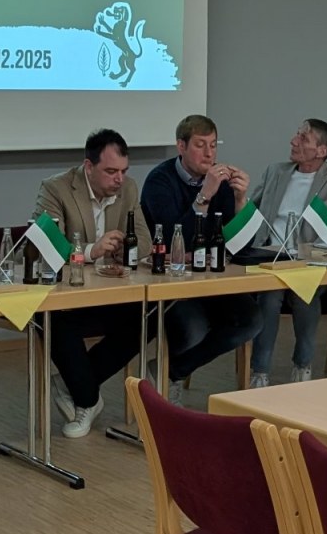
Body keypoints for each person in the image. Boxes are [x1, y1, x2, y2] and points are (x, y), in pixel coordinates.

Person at [35, 129, 156, 436]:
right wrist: (91, 250)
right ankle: (87, 400)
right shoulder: (56, 188)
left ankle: (73, 383)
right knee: (51, 318)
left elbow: (144, 241)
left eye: (124, 171)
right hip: (70, 295)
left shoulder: (129, 189)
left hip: (111, 292)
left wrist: (124, 248)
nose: (119, 179)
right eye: (111, 171)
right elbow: (46, 245)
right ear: (88, 166)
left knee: (152, 314)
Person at [141, 114, 259, 402]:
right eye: (200, 145)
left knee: (251, 320)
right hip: (172, 283)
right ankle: (170, 381)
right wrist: (203, 197)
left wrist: (241, 200)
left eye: (213, 145)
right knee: (192, 329)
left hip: (213, 278)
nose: (209, 154)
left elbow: (240, 247)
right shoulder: (160, 181)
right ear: (181, 146)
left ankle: (171, 372)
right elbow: (173, 241)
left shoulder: (222, 183)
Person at [241, 119, 327, 386]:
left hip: (309, 261)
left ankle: (303, 366)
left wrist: (302, 258)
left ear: (321, 151)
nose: (294, 141)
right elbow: (251, 213)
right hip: (268, 257)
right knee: (269, 296)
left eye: (304, 138)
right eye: (297, 135)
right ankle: (260, 373)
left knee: (306, 294)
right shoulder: (276, 172)